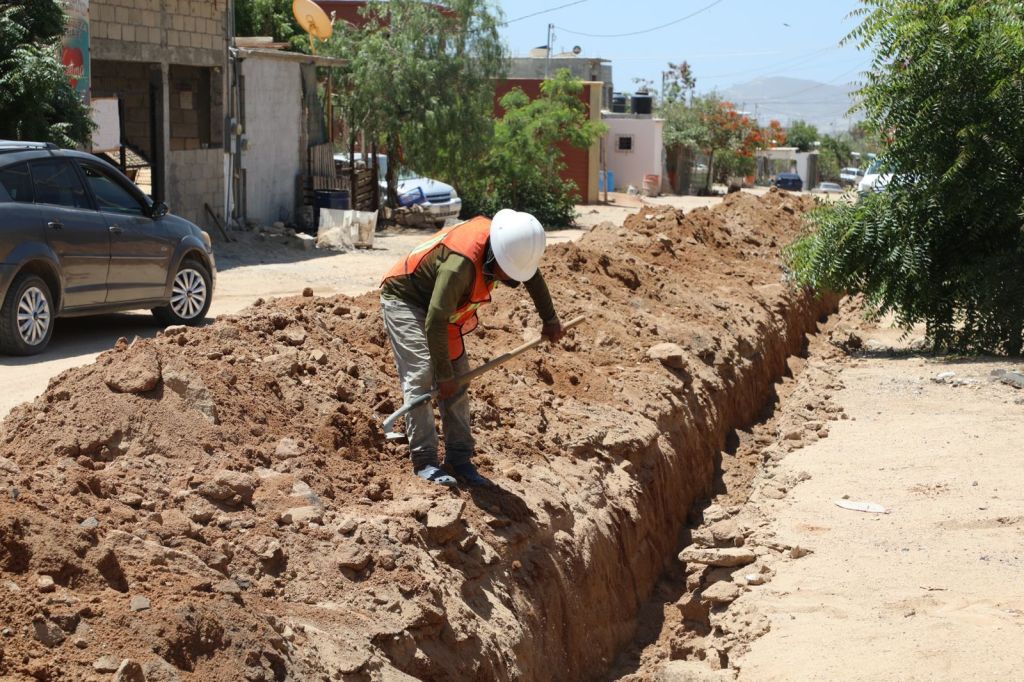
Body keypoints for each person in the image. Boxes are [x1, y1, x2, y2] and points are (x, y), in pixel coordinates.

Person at [380, 210, 564, 487]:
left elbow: (532, 277)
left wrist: (550, 320)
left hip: (443, 306)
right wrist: (442, 376)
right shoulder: (460, 264)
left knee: (459, 376)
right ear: (495, 254)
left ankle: (459, 458)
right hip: (406, 299)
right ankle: (425, 459)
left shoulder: (512, 244)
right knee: (422, 374)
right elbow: (435, 321)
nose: (509, 280)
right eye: (507, 272)